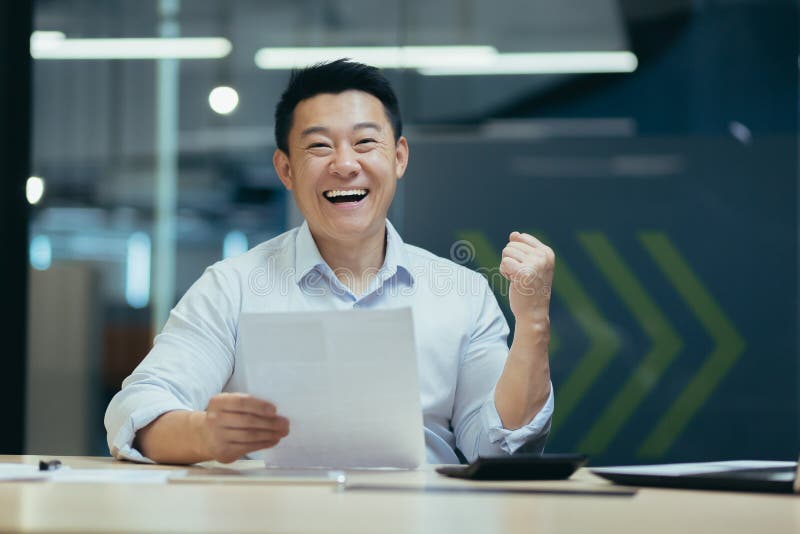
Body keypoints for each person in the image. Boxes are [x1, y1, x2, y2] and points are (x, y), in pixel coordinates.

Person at [105, 59, 555, 465]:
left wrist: (532, 322)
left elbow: (498, 447)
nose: (345, 164)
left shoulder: (462, 293)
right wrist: (205, 434)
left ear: (398, 157)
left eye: (364, 142)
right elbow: (138, 410)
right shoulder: (232, 287)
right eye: (319, 147)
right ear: (285, 170)